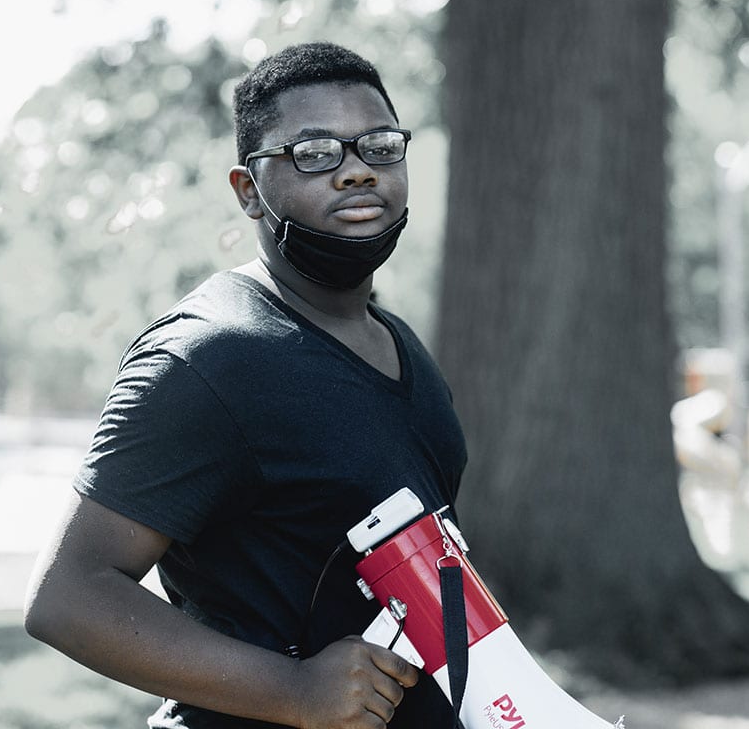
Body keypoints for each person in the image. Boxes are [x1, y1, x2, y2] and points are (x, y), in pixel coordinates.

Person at [24, 42, 466, 729]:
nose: (356, 172)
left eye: (379, 146)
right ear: (248, 190)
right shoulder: (209, 358)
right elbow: (68, 596)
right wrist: (293, 689)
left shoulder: (404, 348)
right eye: (315, 153)